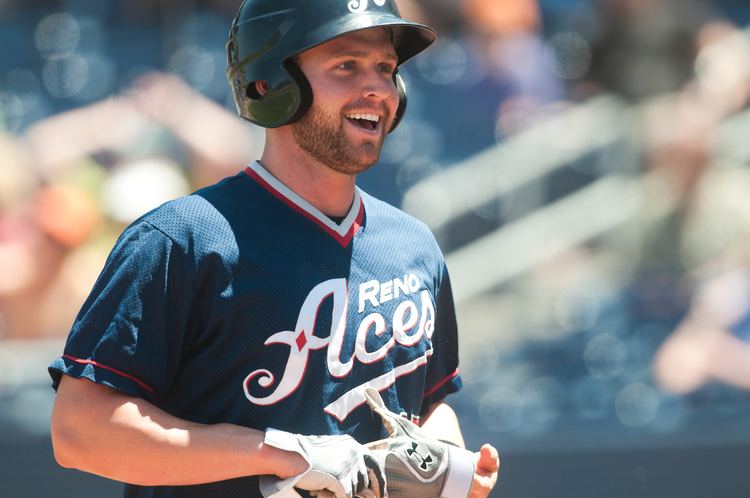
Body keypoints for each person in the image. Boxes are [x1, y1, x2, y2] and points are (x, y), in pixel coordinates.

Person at [48, 1, 500, 497]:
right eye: (346, 65)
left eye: (386, 69)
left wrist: (446, 467)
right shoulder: (183, 240)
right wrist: (281, 453)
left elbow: (432, 403)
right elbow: (79, 430)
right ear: (267, 83)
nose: (376, 87)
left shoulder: (414, 246)